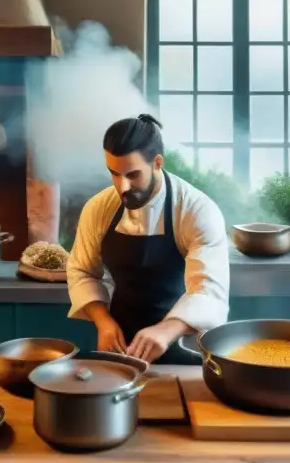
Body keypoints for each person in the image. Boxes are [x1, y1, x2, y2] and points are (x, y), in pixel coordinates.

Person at [66, 114, 230, 364]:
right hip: (118, 345)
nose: (122, 187)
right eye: (114, 174)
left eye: (132, 175)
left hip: (180, 343)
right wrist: (104, 322)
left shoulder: (195, 210)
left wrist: (166, 330)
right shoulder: (98, 208)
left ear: (157, 162)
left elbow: (208, 290)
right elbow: (82, 271)